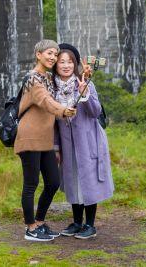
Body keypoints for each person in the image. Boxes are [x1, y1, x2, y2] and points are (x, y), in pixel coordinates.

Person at [15, 39, 78, 241]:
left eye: (55, 54)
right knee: (31, 183)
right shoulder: (33, 79)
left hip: (45, 139)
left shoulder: (49, 77)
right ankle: (30, 228)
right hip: (29, 137)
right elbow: (45, 101)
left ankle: (40, 222)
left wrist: (84, 76)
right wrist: (63, 110)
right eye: (49, 53)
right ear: (38, 54)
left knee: (52, 182)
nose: (53, 57)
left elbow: (65, 87)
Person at [52, 43, 114, 239]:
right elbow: (52, 121)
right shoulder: (52, 87)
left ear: (76, 63)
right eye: (61, 61)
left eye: (70, 61)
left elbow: (95, 112)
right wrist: (56, 147)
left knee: (88, 180)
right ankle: (76, 222)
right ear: (55, 65)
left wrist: (84, 94)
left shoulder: (85, 83)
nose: (66, 65)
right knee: (72, 180)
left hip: (88, 140)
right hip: (67, 142)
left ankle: (90, 225)